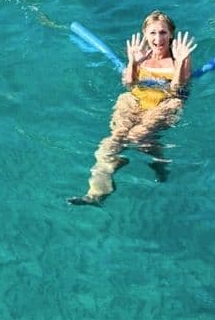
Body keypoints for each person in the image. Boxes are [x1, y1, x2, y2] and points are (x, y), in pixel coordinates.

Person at [70, 10, 196, 206]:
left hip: (167, 102)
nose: (158, 38)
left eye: (163, 33)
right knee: (110, 142)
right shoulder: (142, 56)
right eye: (153, 33)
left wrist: (179, 63)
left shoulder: (180, 58)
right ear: (145, 35)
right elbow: (129, 85)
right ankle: (97, 192)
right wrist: (133, 62)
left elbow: (178, 90)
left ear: (171, 34)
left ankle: (159, 157)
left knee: (137, 136)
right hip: (137, 99)